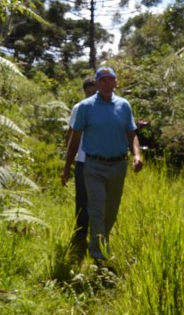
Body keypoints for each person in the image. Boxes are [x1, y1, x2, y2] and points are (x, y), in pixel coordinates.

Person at [61, 67, 143, 262]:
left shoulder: (124, 106)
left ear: (116, 83)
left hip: (118, 166)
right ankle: (99, 256)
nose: (107, 84)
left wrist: (137, 155)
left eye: (110, 80)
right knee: (97, 210)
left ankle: (100, 243)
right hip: (93, 166)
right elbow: (74, 139)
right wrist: (67, 168)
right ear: (97, 84)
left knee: (110, 212)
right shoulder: (85, 107)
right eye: (103, 81)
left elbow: (131, 133)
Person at [66, 76, 97, 254]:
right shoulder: (79, 108)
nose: (92, 95)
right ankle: (80, 235)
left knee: (98, 200)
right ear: (85, 92)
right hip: (82, 160)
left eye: (95, 91)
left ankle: (97, 235)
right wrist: (68, 162)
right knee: (82, 200)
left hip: (99, 161)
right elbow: (71, 135)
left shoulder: (105, 107)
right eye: (89, 92)